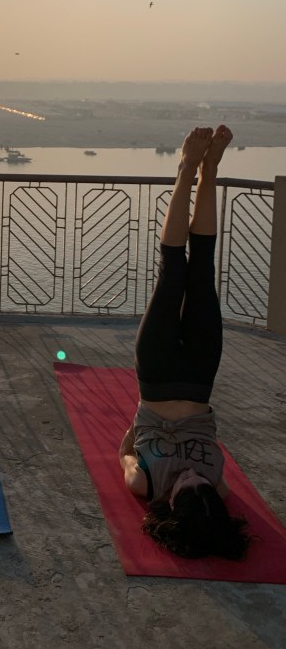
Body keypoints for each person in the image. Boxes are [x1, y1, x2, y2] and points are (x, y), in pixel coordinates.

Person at [119, 125, 250, 560]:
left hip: (155, 378)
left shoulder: (146, 485)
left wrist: (143, 430)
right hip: (198, 377)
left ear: (170, 505)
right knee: (203, 270)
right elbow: (213, 476)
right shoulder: (218, 485)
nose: (194, 476)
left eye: (186, 487)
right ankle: (210, 169)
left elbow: (124, 451)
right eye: (203, 487)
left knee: (172, 270)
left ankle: (186, 169)